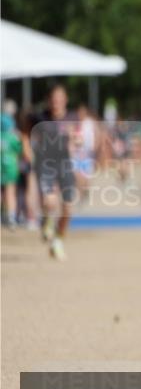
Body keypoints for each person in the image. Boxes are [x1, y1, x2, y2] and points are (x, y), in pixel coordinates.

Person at [33, 84, 79, 260]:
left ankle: (58, 241)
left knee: (67, 209)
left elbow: (78, 138)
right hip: (46, 164)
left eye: (60, 98)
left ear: (65, 100)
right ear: (49, 101)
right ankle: (47, 220)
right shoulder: (40, 118)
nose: (56, 102)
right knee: (50, 202)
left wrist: (77, 141)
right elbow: (28, 133)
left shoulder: (72, 118)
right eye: (53, 99)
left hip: (65, 164)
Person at [1, 112, 22, 228]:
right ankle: (11, 217)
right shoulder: (12, 137)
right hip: (10, 168)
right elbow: (20, 149)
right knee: (10, 192)